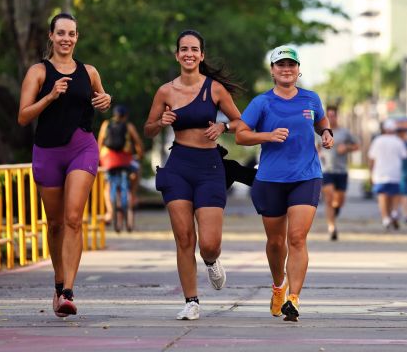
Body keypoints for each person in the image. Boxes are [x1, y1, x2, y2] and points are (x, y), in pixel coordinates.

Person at [143, 29, 242, 321]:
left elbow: (239, 121)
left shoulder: (214, 89)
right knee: (184, 238)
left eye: (194, 49)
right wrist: (160, 121)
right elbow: (148, 129)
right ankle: (191, 301)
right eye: (183, 49)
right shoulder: (165, 91)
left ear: (201, 55)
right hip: (178, 168)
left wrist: (223, 127)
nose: (189, 54)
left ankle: (211, 260)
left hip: (210, 167)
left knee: (208, 242)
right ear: (177, 55)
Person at [18, 13, 111, 317]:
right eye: (61, 33)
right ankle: (58, 284)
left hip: (81, 148)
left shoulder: (89, 71)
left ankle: (69, 291)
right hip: (47, 151)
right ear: (51, 36)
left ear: (77, 37)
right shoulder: (38, 72)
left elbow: (100, 97)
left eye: (71, 34)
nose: (66, 39)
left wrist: (104, 100)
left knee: (73, 218)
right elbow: (23, 116)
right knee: (55, 223)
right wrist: (50, 97)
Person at [236, 45, 333, 322]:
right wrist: (267, 136)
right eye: (281, 65)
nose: (286, 69)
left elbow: (321, 120)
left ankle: (294, 299)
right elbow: (242, 135)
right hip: (270, 180)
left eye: (291, 65)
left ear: (299, 70)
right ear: (273, 71)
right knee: (276, 242)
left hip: (306, 176)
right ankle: (279, 286)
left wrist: (326, 132)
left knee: (297, 238)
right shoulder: (262, 103)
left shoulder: (311, 98)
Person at [97, 104, 144, 232]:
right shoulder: (129, 126)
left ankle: (110, 212)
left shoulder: (106, 124)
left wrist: (100, 160)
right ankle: (133, 196)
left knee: (107, 187)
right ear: (125, 116)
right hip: (125, 160)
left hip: (108, 161)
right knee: (137, 169)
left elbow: (100, 142)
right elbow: (138, 142)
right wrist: (140, 155)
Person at [319, 105, 359, 241]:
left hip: (341, 171)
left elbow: (357, 145)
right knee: (329, 198)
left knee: (339, 201)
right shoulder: (320, 132)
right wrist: (319, 153)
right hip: (326, 170)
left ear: (336, 116)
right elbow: (314, 147)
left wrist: (346, 147)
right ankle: (332, 228)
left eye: (333, 116)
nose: (331, 118)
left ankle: (335, 211)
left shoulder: (344, 132)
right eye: (328, 116)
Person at [368, 119, 407, 230]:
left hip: (380, 173)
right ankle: (395, 212)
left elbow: (372, 158)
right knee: (395, 195)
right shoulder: (398, 141)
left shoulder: (377, 141)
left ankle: (385, 218)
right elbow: (405, 156)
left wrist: (370, 173)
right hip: (395, 172)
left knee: (382, 196)